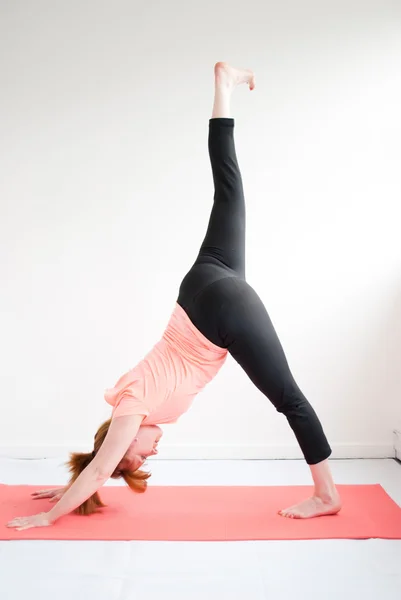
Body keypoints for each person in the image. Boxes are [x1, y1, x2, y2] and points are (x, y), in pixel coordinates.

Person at [7, 62, 341, 532]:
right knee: (229, 192)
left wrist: (48, 517)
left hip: (219, 316)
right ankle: (224, 86)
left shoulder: (130, 410)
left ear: (124, 441)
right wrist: (70, 486)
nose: (151, 453)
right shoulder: (126, 397)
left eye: (140, 455)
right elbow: (101, 463)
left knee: (290, 400)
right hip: (200, 286)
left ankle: (327, 494)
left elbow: (103, 465)